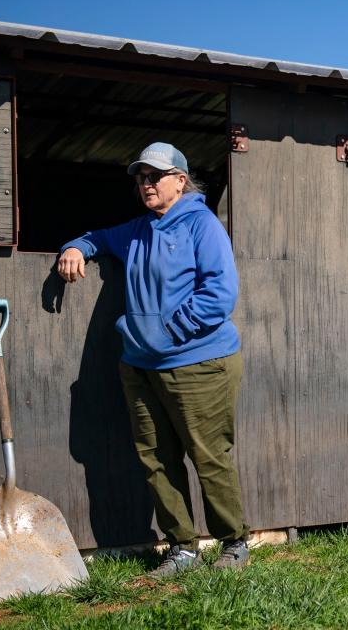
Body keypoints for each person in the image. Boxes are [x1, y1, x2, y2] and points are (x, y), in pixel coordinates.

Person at [58, 142, 250, 577]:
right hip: (140, 366)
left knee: (207, 455)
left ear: (179, 181)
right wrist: (75, 248)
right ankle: (182, 547)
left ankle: (233, 542)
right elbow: (98, 237)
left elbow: (220, 294)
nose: (145, 184)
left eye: (154, 176)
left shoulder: (202, 226)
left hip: (198, 362)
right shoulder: (141, 228)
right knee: (156, 457)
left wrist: (166, 333)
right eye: (140, 178)